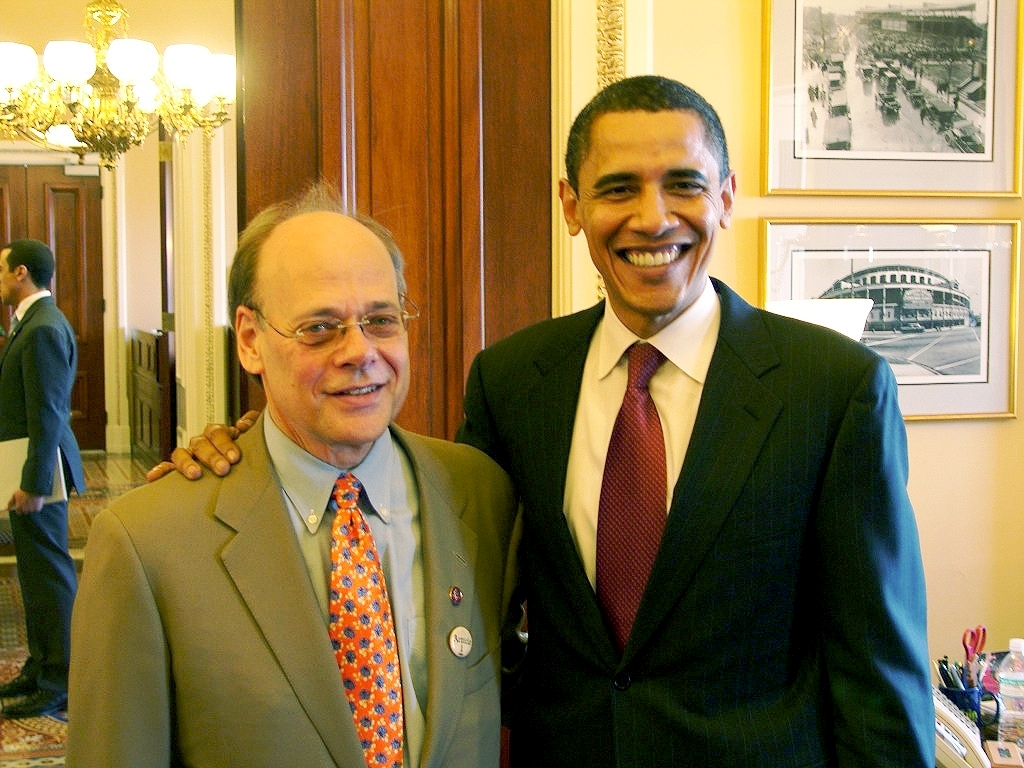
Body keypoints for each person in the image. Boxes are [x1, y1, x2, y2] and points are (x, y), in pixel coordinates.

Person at [158, 76, 935, 767]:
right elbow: (444, 555)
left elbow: (878, 668)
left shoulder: (834, 389)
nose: (652, 217)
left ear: (726, 197)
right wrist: (247, 449)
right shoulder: (514, 380)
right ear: (572, 205)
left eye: (685, 185)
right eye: (619, 187)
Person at [67, 184, 518, 767]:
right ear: (251, 340)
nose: (360, 351)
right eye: (320, 328)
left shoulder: (480, 492)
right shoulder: (145, 544)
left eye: (381, 319)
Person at [0, 239, 85, 719]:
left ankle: (60, 680)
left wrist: (33, 485)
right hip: (31, 468)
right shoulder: (30, 323)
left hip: (42, 474)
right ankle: (40, 666)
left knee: (50, 575)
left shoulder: (43, 329)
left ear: (21, 273)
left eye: (1, 269)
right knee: (35, 573)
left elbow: (48, 413)